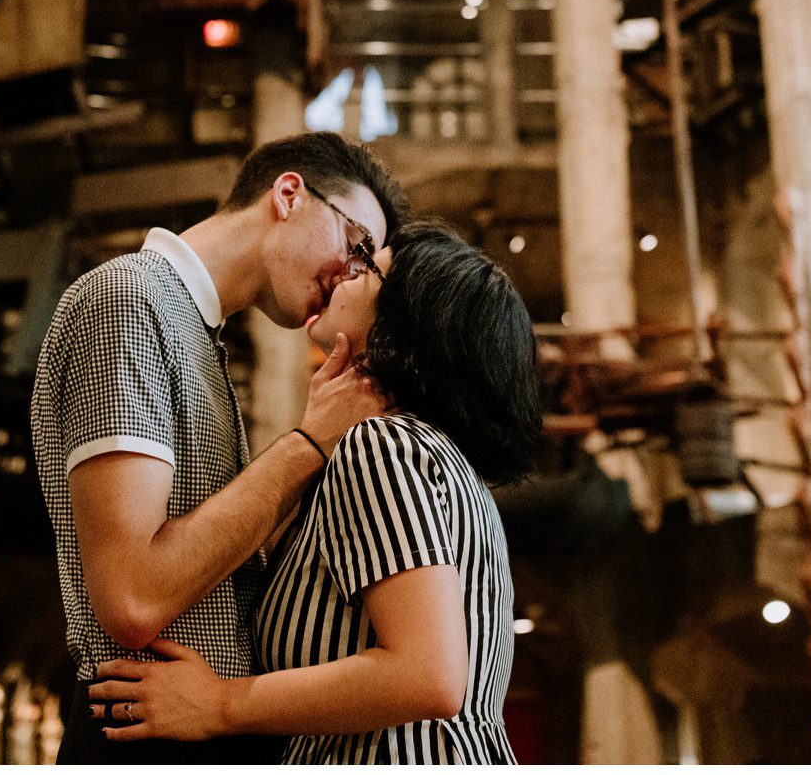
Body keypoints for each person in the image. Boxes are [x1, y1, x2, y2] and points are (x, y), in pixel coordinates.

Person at [86, 220, 543, 764]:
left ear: (408, 326)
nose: (344, 275)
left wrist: (218, 704)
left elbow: (429, 675)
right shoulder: (437, 457)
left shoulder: (383, 446)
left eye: (368, 268)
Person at [30, 131, 409, 764]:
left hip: (181, 724)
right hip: (145, 732)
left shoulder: (193, 330)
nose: (350, 278)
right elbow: (133, 597)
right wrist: (310, 442)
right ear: (289, 194)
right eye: (357, 248)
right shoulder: (129, 301)